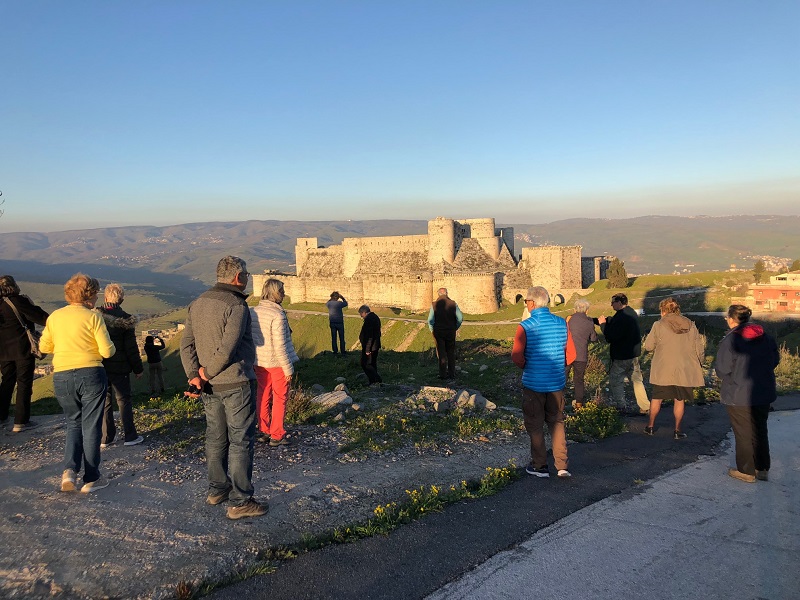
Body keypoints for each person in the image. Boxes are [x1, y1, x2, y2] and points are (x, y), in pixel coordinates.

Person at [180, 256, 267, 520]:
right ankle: (240, 501)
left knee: (216, 437)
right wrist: (205, 372)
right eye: (247, 275)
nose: (249, 279)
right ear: (237, 277)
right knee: (241, 440)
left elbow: (186, 344)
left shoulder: (198, 302)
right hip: (236, 382)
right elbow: (227, 349)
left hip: (208, 387)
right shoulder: (236, 305)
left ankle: (217, 489)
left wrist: (195, 375)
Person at [39, 274, 115, 493]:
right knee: (91, 426)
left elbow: (45, 347)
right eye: (96, 293)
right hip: (91, 373)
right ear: (89, 295)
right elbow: (107, 351)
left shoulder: (54, 317)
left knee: (73, 423)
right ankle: (92, 478)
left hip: (62, 375)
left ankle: (69, 471)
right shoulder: (93, 317)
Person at [715, 305, 780, 483]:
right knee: (760, 430)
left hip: (738, 393)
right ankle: (762, 468)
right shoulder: (765, 336)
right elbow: (775, 359)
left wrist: (732, 379)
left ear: (731, 319)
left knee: (743, 432)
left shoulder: (731, 340)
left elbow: (722, 369)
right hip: (763, 390)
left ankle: (746, 471)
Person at [511, 286, 570, 478]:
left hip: (534, 384)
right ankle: (562, 466)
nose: (526, 305)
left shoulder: (526, 326)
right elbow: (572, 354)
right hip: (556, 383)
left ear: (533, 303)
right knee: (557, 422)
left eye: (527, 301)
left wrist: (528, 366)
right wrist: (559, 366)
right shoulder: (562, 323)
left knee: (535, 424)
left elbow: (517, 356)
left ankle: (540, 466)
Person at [642, 298, 705, 439]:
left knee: (657, 398)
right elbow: (699, 348)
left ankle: (650, 427)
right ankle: (677, 430)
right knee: (679, 399)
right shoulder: (690, 324)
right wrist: (700, 363)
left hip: (664, 368)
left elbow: (648, 346)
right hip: (685, 368)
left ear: (663, 310)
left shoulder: (658, 325)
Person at [251, 278, 299, 447]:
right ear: (276, 293)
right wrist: (288, 368)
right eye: (282, 292)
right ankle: (277, 434)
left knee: (262, 395)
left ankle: (264, 430)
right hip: (276, 363)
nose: (284, 295)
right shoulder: (278, 315)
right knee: (280, 397)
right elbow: (280, 345)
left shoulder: (253, 311)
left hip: (259, 361)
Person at [97, 283, 145, 448]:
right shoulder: (126, 320)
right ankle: (130, 436)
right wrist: (138, 369)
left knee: (105, 401)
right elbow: (131, 348)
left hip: (100, 365)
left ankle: (106, 437)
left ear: (105, 298)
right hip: (121, 367)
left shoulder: (95, 316)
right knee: (124, 400)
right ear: (122, 300)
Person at [0, 275, 49, 432]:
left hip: (3, 352)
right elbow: (42, 318)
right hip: (23, 350)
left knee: (6, 382)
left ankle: (1, 416)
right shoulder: (19, 301)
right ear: (14, 286)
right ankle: (21, 421)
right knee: (24, 383)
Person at [598, 293, 649, 414]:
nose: (611, 305)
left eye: (613, 302)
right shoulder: (631, 312)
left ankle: (621, 406)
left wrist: (603, 325)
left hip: (621, 355)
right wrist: (611, 321)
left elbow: (611, 336)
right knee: (637, 380)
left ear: (619, 303)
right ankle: (645, 406)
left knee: (616, 380)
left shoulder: (621, 318)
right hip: (633, 354)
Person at [564, 298, 598, 409]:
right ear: (587, 310)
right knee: (579, 379)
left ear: (575, 309)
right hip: (581, 355)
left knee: (562, 377)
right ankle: (579, 403)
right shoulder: (589, 322)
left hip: (568, 353)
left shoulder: (569, 319)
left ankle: (559, 402)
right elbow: (593, 338)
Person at [427, 288, 463, 380]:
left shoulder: (434, 305)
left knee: (441, 352)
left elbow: (430, 320)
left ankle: (442, 374)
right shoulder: (453, 304)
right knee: (450, 352)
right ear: (447, 294)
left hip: (438, 331)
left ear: (438, 294)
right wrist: (455, 327)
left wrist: (432, 330)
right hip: (450, 331)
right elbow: (460, 318)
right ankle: (452, 374)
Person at [358, 305, 382, 384]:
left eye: (361, 314)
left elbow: (369, 336)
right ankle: (374, 382)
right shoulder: (375, 317)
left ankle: (376, 379)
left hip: (370, 347)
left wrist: (367, 349)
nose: (361, 316)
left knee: (365, 364)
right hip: (375, 345)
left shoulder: (369, 320)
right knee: (372, 364)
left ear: (364, 312)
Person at [326, 291, 348, 356]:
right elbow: (346, 303)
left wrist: (331, 298)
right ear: (337, 297)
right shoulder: (339, 303)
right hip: (340, 322)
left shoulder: (329, 304)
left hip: (332, 322)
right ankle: (343, 351)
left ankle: (335, 351)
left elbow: (327, 303)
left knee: (334, 338)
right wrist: (342, 298)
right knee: (341, 338)